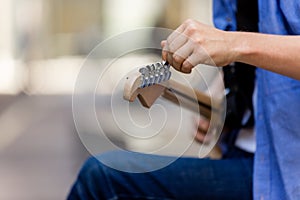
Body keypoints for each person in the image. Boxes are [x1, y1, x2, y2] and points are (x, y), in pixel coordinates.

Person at [68, 0, 300, 199]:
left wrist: (234, 43)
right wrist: (220, 98)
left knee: (101, 179)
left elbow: (241, 45)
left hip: (284, 173)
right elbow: (251, 65)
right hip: (244, 153)